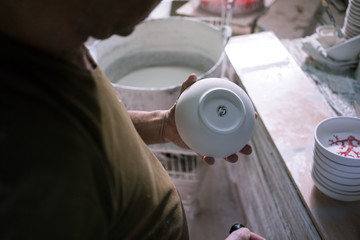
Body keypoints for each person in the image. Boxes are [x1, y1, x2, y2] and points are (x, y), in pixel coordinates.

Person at [0, 0, 265, 239]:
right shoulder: (28, 174)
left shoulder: (48, 43)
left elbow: (95, 132)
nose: (132, 27)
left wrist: (163, 125)